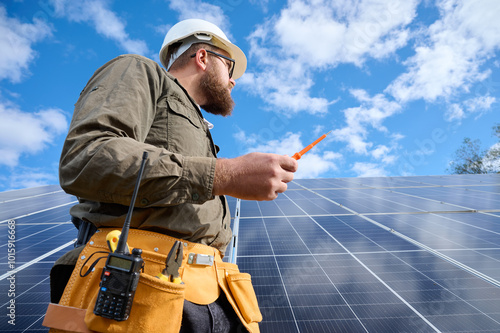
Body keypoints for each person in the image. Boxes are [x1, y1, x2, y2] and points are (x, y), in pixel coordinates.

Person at [47, 19, 298, 333]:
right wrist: (225, 174)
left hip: (209, 294)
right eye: (229, 67)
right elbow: (86, 158)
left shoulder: (203, 130)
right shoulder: (138, 71)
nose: (233, 81)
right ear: (202, 56)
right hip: (137, 288)